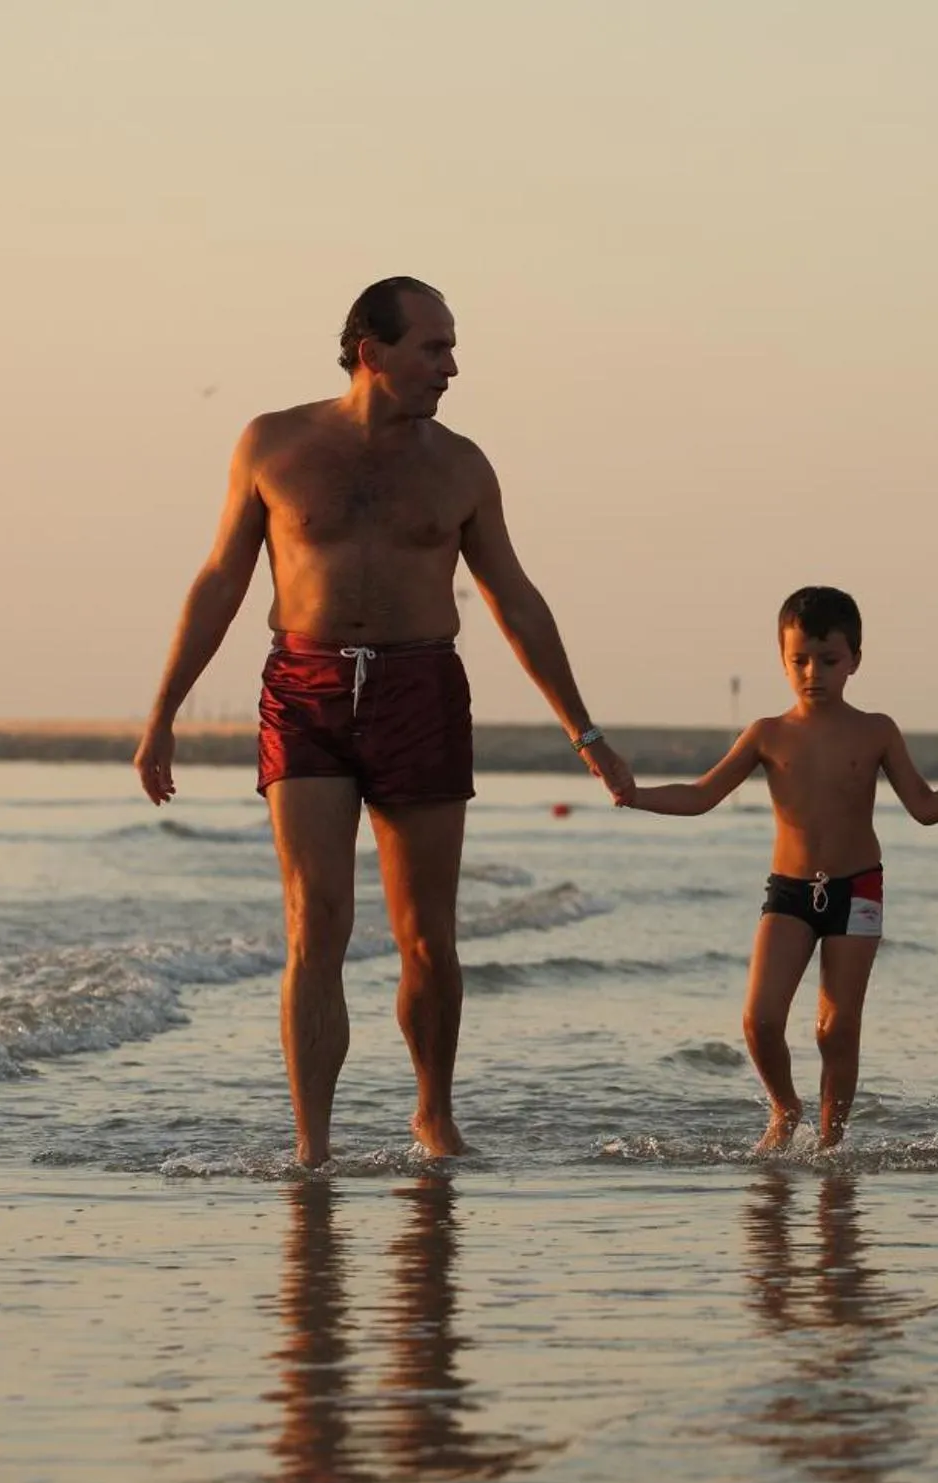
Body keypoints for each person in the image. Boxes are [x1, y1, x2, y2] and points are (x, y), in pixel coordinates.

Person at [132, 276, 633, 1166]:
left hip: (420, 691)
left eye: (452, 347)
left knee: (426, 936)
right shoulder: (272, 444)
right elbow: (219, 582)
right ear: (372, 351)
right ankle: (312, 1149)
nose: (451, 367)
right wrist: (163, 712)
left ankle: (432, 1114)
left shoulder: (463, 467)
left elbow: (515, 599)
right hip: (305, 689)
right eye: (434, 347)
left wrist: (583, 732)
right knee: (314, 920)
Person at [623, 587, 938, 1152]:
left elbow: (925, 808)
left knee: (837, 1027)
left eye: (828, 660)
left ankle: (830, 1143)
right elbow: (701, 795)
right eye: (799, 660)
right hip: (790, 892)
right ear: (782, 659)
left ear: (855, 661)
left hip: (858, 888)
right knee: (759, 1019)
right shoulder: (768, 733)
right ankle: (785, 1107)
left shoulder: (876, 730)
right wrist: (635, 794)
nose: (813, 672)